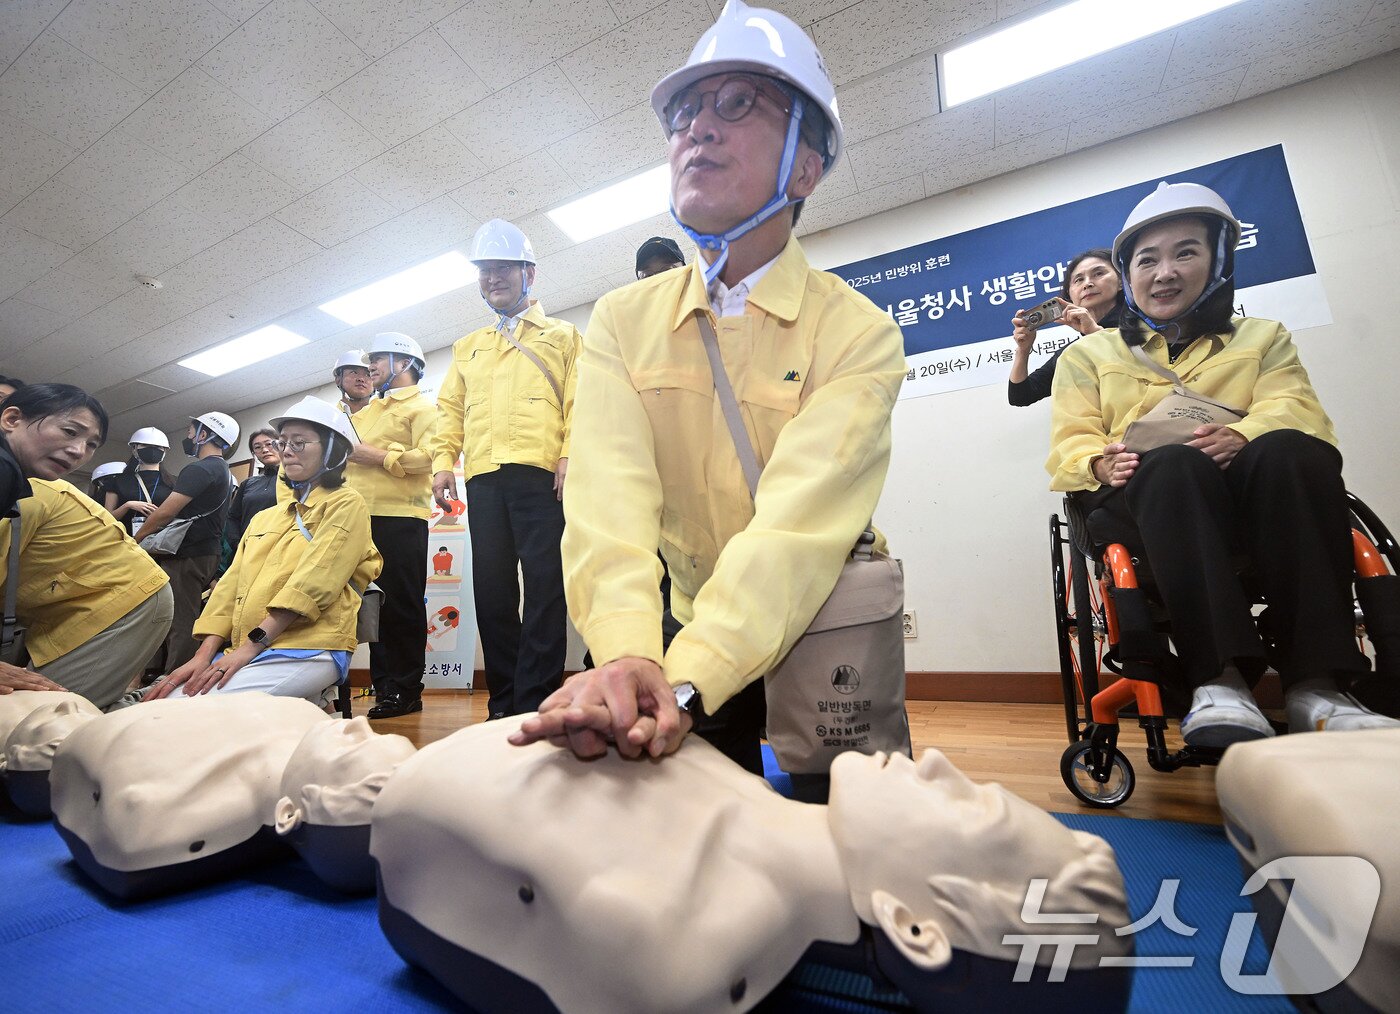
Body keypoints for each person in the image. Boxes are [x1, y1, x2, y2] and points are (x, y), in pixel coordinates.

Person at [511, 1, 906, 778]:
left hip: (820, 617)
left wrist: (684, 677)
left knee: (857, 860)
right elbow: (608, 509)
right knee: (680, 858)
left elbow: (795, 533)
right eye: (684, 113)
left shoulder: (859, 333)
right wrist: (629, 658)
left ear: (804, 167)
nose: (697, 129)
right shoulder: (622, 322)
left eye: (736, 104)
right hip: (684, 629)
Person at [1047, 181, 1399, 747]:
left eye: (1186, 252)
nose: (1164, 272)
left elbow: (1296, 409)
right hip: (1144, 498)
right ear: (1129, 275)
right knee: (1172, 465)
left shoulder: (1264, 337)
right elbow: (1071, 439)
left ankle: (1317, 686)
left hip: (1253, 498)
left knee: (1291, 449)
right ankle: (1219, 680)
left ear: (1218, 262)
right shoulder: (1088, 354)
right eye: (1147, 260)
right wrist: (1097, 464)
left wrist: (1242, 435)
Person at [432, 219, 580, 720]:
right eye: (484, 271)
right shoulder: (467, 346)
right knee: (492, 592)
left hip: (542, 477)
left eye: (502, 269)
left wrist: (569, 454)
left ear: (529, 273)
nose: (492, 278)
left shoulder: (563, 336)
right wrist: (441, 462)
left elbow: (582, 401)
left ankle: (536, 700)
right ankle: (504, 703)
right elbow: (449, 409)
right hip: (483, 479)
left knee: (545, 588)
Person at [146, 397, 381, 706]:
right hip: (253, 649)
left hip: (308, 647)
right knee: (167, 699)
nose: (286, 450)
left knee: (193, 707)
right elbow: (230, 588)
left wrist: (249, 648)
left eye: (299, 443)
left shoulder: (345, 503)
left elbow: (313, 583)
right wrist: (202, 656)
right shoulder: (263, 518)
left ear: (332, 451)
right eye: (282, 442)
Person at [0, 384, 173, 705]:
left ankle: (168, 706)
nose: (79, 451)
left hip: (123, 599)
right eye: (69, 432)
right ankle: (150, 705)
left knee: (43, 715)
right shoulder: (16, 477)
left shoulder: (22, 483)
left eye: (91, 444)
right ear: (11, 419)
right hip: (77, 601)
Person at [348, 333, 437, 720]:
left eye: (378, 359)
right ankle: (385, 688)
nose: (370, 366)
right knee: (371, 608)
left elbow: (431, 456)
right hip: (356, 518)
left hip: (401, 517)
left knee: (401, 605)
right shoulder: (364, 413)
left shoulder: (424, 408)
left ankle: (406, 690)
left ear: (405, 362)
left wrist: (380, 457)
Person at [136, 411, 239, 676]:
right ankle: (161, 674)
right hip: (207, 554)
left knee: (179, 620)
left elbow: (165, 513)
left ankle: (175, 680)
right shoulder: (224, 472)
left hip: (186, 555)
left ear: (205, 435)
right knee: (182, 614)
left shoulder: (200, 469)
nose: (188, 437)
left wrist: (135, 540)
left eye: (192, 432)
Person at [1008, 249, 1123, 406]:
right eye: (1078, 280)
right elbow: (1021, 396)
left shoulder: (1146, 323)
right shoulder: (1072, 353)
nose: (1088, 283)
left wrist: (1094, 332)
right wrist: (1023, 350)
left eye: (1098, 273)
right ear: (1069, 294)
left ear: (1121, 282)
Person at [219, 427, 282, 573]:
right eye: (257, 447)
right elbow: (233, 517)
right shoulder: (248, 484)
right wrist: (238, 543)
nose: (264, 450)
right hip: (248, 550)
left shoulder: (296, 480)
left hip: (280, 549)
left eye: (269, 444)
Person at [103, 427, 171, 537]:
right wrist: (128, 505)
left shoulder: (173, 483)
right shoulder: (116, 481)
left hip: (160, 544)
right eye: (145, 446)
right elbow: (106, 517)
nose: (152, 450)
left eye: (157, 447)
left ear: (165, 451)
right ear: (134, 448)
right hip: (124, 541)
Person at [332, 349, 373, 415]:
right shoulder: (330, 417)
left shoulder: (387, 413)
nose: (361, 379)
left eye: (368, 375)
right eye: (353, 372)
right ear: (338, 379)